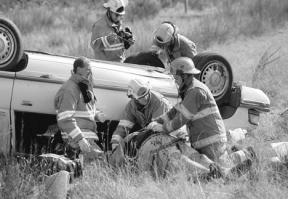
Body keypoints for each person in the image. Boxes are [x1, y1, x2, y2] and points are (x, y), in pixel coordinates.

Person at [147, 57, 257, 179]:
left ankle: (247, 154)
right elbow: (175, 111)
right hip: (204, 139)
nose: (175, 81)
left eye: (176, 78)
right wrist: (157, 121)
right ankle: (245, 155)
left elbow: (181, 119)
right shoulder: (189, 90)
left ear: (184, 76)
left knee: (219, 167)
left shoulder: (195, 91)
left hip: (211, 139)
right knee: (215, 167)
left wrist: (163, 128)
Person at [54, 57, 106, 161]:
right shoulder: (70, 89)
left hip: (85, 140)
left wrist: (97, 115)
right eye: (88, 68)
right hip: (78, 141)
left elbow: (84, 112)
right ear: (78, 69)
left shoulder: (84, 87)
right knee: (97, 170)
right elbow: (65, 119)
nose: (90, 71)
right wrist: (80, 139)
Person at [110, 79, 171, 150]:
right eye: (141, 97)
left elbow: (155, 130)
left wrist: (133, 135)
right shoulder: (131, 106)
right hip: (152, 136)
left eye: (146, 94)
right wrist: (115, 142)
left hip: (170, 137)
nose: (145, 98)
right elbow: (123, 127)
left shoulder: (160, 103)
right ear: (133, 98)